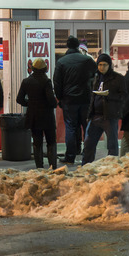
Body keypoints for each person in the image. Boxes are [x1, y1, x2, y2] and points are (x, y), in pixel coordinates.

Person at [54, 36, 96, 165]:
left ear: (67, 46)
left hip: (69, 100)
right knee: (87, 127)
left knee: (71, 127)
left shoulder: (62, 62)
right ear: (78, 46)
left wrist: (60, 98)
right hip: (85, 99)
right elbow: (95, 75)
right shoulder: (87, 60)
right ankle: (88, 156)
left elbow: (57, 82)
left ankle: (70, 156)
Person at [82, 53, 125, 165]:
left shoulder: (118, 78)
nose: (102, 67)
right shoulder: (96, 78)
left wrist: (110, 96)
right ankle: (86, 165)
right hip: (96, 115)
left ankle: (112, 166)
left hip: (109, 116)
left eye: (104, 65)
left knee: (112, 144)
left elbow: (124, 96)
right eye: (100, 65)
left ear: (109, 65)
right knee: (89, 143)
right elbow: (93, 97)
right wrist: (89, 114)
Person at [16, 58, 58, 170]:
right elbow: (51, 100)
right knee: (51, 141)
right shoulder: (47, 81)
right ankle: (52, 166)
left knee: (37, 142)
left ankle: (39, 167)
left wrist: (30, 104)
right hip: (47, 116)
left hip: (33, 116)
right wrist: (54, 104)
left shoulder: (26, 81)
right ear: (45, 68)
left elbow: (19, 99)